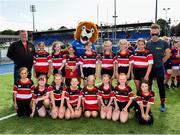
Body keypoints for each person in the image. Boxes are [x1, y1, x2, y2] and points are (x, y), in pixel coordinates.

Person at [146, 24, 171, 112]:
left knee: (161, 87)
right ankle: (147, 101)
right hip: (149, 69)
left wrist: (161, 62)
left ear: (159, 33)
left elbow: (168, 54)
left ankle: (162, 103)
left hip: (159, 68)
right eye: (153, 34)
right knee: (148, 86)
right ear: (150, 33)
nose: (155, 36)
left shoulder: (165, 43)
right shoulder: (147, 43)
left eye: (156, 34)